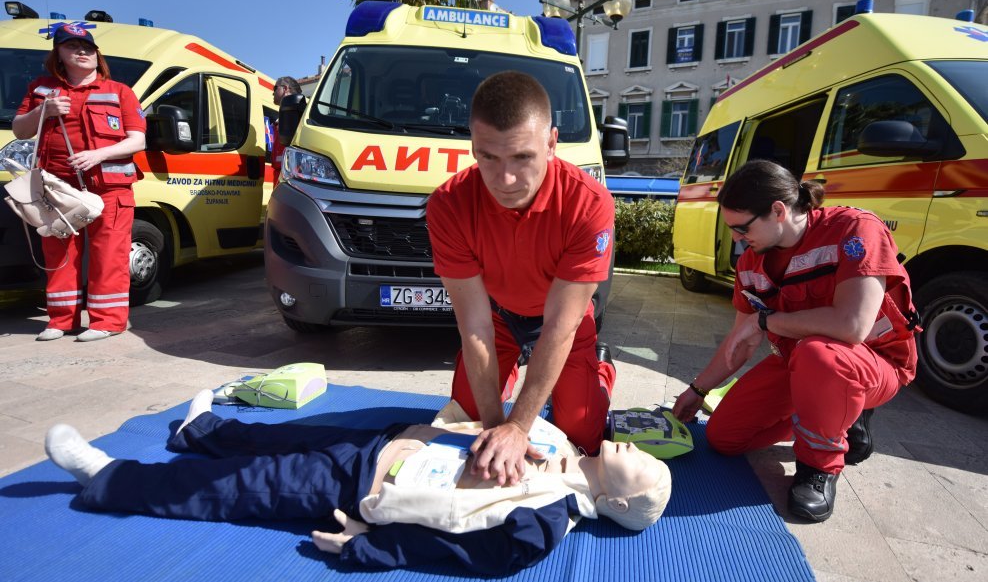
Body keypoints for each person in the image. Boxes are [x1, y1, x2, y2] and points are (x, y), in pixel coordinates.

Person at [44, 390, 671, 575]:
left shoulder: (548, 517)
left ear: (616, 501)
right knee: (279, 438)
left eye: (643, 465)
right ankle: (200, 431)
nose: (635, 448)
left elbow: (478, 555)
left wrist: (374, 544)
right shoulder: (557, 438)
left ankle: (108, 478)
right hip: (392, 442)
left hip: (361, 490)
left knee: (244, 487)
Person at [671, 159, 919, 522]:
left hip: (870, 363)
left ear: (777, 211)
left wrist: (769, 320)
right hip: (799, 365)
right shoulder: (750, 266)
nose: (738, 240)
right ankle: (836, 413)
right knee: (725, 438)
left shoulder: (854, 230)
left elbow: (853, 327)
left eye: (741, 228)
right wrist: (696, 390)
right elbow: (740, 339)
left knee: (819, 355)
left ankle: (819, 467)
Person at [425, 71, 616, 487]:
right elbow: (473, 326)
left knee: (584, 434)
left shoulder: (590, 203)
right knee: (471, 417)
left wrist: (520, 426)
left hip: (563, 320)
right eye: (488, 158)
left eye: (522, 158)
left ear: (551, 143)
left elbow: (560, 328)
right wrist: (497, 427)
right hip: (496, 316)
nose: (505, 181)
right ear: (473, 146)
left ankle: (601, 372)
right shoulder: (448, 203)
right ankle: (506, 378)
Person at [12, 23, 146, 342]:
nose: (82, 51)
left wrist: (98, 155)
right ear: (57, 53)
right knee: (59, 252)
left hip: (110, 186)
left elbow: (137, 140)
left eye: (88, 47)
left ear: (97, 54)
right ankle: (61, 320)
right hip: (57, 186)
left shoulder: (120, 91)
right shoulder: (41, 89)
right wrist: (43, 110)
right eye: (72, 46)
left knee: (109, 253)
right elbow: (20, 130)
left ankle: (108, 321)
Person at [271, 76, 302, 178]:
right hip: (280, 175)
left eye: (275, 88)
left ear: (285, 89)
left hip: (289, 176)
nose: (273, 92)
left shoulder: (299, 116)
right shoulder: (280, 120)